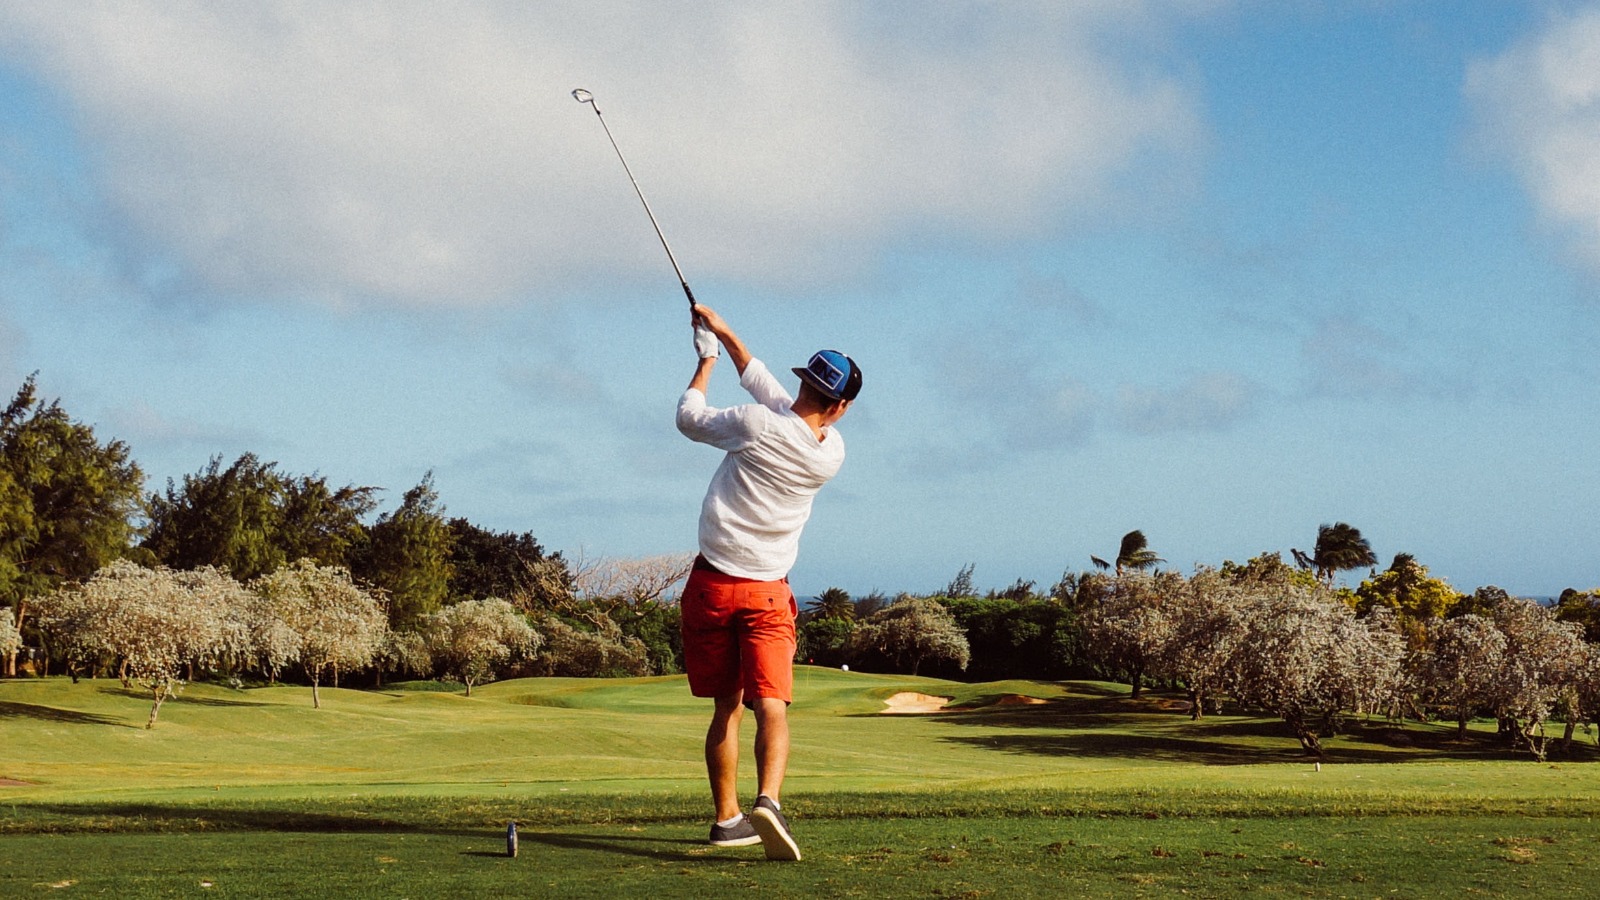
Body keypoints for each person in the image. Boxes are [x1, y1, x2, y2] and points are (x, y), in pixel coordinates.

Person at [675, 302, 862, 862]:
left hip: (711, 585)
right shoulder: (832, 452)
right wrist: (726, 333)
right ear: (840, 407)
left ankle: (727, 819)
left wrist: (706, 360)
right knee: (772, 703)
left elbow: (689, 417)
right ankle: (769, 802)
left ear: (804, 383)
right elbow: (769, 391)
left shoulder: (756, 425)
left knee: (725, 709)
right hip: (766, 594)